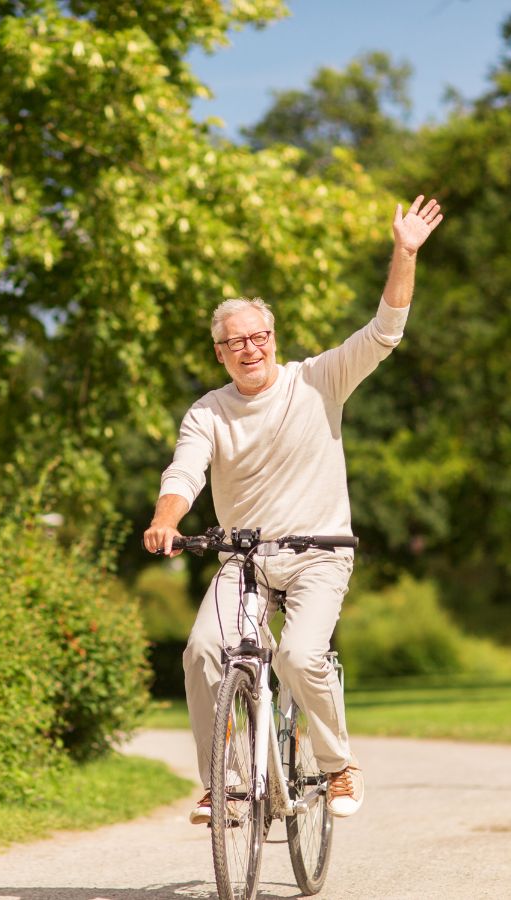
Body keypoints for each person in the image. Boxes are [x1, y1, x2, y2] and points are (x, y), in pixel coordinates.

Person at [143, 196, 443, 823]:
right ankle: (222, 785)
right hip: (245, 559)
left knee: (299, 655)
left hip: (319, 554)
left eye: (259, 337)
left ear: (273, 339)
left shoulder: (319, 380)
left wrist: (404, 252)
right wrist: (167, 519)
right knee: (200, 650)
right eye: (235, 342)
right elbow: (186, 470)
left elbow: (385, 330)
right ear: (219, 353)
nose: (250, 349)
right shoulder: (207, 411)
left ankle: (338, 765)